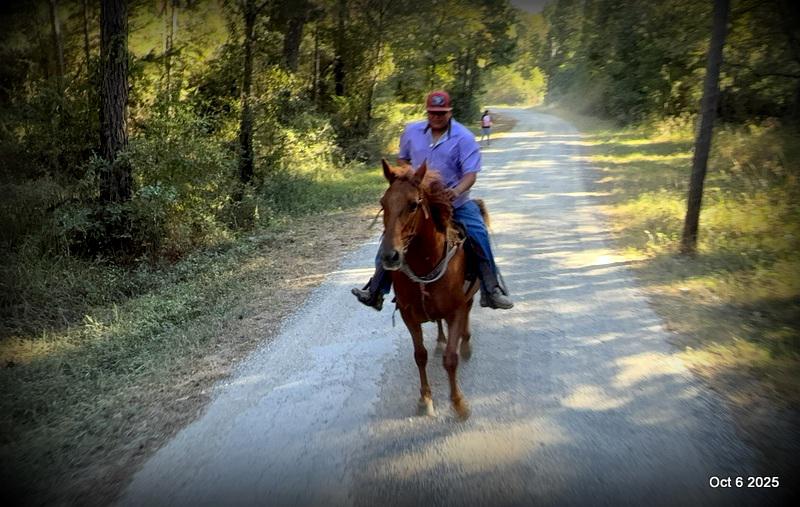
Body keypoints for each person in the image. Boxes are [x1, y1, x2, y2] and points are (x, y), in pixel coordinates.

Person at [351, 91, 513, 311]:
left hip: (454, 201)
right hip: (420, 200)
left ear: (449, 112)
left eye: (441, 113)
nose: (436, 117)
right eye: (432, 113)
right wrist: (409, 179)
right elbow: (403, 158)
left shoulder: (464, 137)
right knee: (391, 234)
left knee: (478, 232)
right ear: (427, 111)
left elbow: (470, 175)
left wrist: (455, 191)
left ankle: (491, 288)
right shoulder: (412, 131)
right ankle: (376, 289)